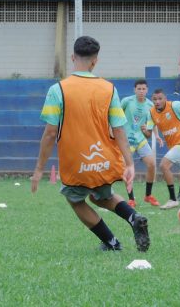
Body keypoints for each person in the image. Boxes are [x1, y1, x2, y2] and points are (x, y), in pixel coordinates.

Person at [31, 36, 150, 252]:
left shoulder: (58, 90)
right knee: (102, 197)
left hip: (77, 162)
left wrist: (39, 169)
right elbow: (119, 129)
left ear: (72, 57)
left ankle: (112, 243)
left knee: (75, 200)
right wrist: (129, 163)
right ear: (95, 61)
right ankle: (133, 217)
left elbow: (50, 133)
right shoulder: (109, 89)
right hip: (103, 159)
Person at [121, 79, 164, 208]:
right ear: (134, 90)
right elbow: (116, 116)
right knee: (126, 168)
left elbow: (152, 123)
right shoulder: (126, 101)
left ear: (147, 90)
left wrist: (156, 135)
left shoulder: (150, 106)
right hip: (127, 141)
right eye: (139, 89)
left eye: (143, 89)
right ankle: (131, 199)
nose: (141, 91)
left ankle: (148, 195)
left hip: (141, 140)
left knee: (151, 164)